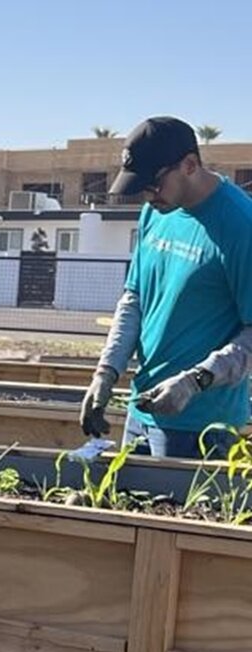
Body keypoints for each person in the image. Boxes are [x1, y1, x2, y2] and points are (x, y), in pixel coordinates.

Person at [79, 116, 252, 458]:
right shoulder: (156, 211)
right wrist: (106, 372)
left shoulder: (240, 225)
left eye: (153, 184)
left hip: (203, 427)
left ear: (189, 165)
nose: (147, 196)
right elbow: (135, 299)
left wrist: (194, 382)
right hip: (141, 411)